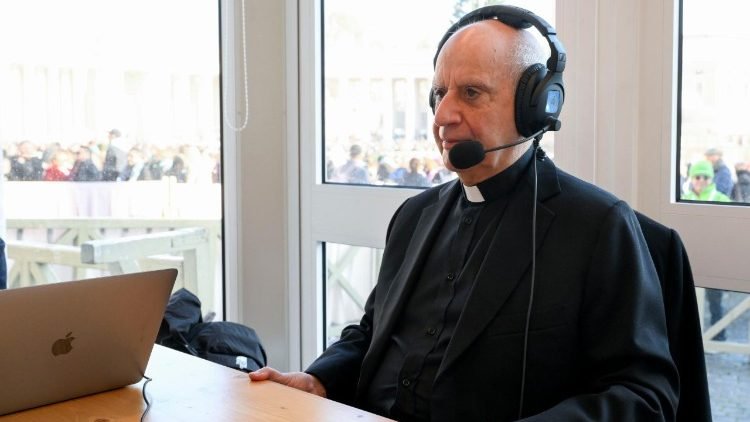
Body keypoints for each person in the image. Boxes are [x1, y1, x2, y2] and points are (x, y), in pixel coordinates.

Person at [250, 6, 678, 421]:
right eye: (439, 94)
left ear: (534, 106)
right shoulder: (414, 215)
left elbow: (643, 394)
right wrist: (320, 379)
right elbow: (371, 332)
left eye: (471, 93)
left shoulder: (597, 226)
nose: (442, 116)